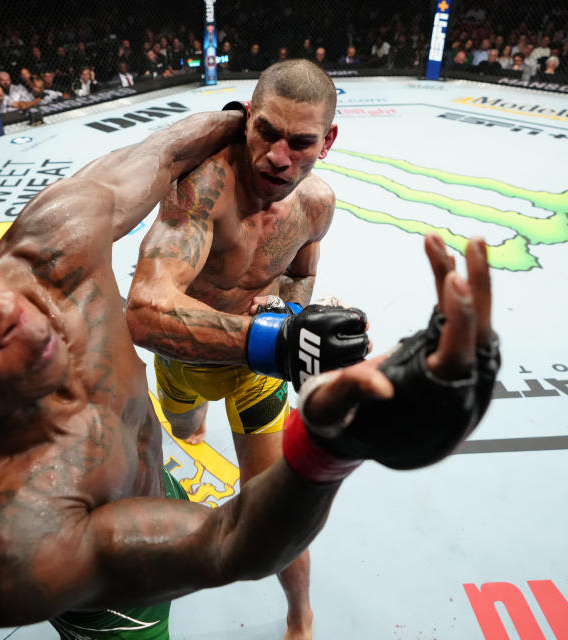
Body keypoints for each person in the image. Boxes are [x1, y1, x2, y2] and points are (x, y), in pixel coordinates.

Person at [0, 106, 499, 638]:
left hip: (147, 473)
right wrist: (327, 446)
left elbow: (153, 151)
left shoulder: (51, 250)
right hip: (108, 589)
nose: (2, 306)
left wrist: (241, 123)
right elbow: (225, 540)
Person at [126, 59, 359, 640]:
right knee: (183, 430)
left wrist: (290, 309)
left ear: (327, 142)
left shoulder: (316, 206)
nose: (279, 157)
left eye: (300, 142)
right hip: (184, 360)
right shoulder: (204, 191)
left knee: (275, 516)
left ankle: (300, 615)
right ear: (246, 120)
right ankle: (194, 422)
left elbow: (302, 271)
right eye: (266, 133)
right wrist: (274, 339)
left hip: (255, 377)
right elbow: (146, 308)